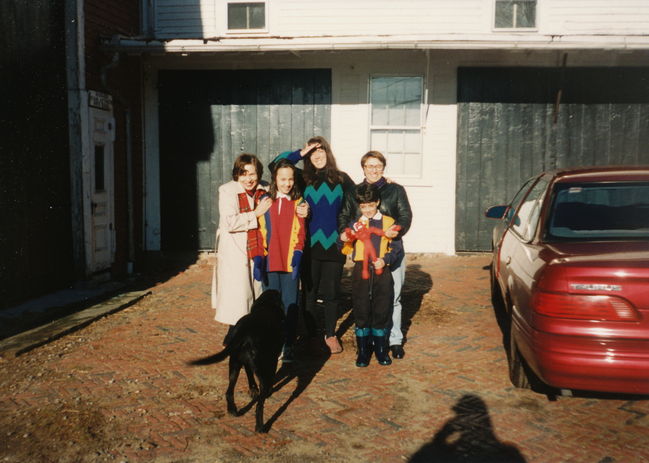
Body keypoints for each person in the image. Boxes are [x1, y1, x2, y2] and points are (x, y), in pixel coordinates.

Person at [272, 136, 355, 355]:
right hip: (309, 246)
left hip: (335, 245)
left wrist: (386, 184)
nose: (317, 156)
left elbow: (359, 203)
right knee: (308, 293)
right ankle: (310, 335)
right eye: (312, 153)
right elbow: (275, 164)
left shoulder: (342, 179)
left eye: (321, 151)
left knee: (332, 293)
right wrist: (300, 152)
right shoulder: (302, 178)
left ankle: (330, 334)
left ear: (328, 153)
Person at [339, 151, 413, 359]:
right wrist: (346, 234)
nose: (374, 169)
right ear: (363, 168)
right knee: (366, 299)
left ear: (383, 167)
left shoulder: (395, 189)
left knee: (393, 296)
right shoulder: (354, 191)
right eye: (369, 166)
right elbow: (344, 215)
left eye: (378, 165)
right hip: (364, 254)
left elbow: (405, 215)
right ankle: (368, 342)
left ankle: (394, 340)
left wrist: (396, 229)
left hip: (389, 248)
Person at [211, 153, 272, 345]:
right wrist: (256, 213)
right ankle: (234, 333)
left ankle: (249, 332)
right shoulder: (227, 191)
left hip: (258, 248)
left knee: (256, 291)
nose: (249, 179)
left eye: (252, 174)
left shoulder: (265, 189)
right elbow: (230, 222)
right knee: (238, 295)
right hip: (236, 249)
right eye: (243, 174)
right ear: (237, 174)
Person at [341, 183, 404, 367]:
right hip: (361, 271)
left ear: (377, 202)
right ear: (359, 206)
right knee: (361, 310)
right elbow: (344, 247)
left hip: (381, 271)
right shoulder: (355, 223)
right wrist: (344, 238)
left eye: (370, 205)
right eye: (363, 206)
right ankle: (362, 351)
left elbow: (396, 247)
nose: (367, 210)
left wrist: (385, 260)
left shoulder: (388, 222)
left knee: (381, 310)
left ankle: (381, 350)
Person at [256, 159, 306, 363]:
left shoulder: (299, 203)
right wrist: (259, 258)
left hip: (288, 264)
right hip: (269, 263)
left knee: (290, 305)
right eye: (282, 179)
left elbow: (301, 233)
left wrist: (298, 255)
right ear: (275, 179)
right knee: (270, 308)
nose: (287, 183)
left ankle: (288, 344)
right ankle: (270, 343)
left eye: (290, 179)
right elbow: (258, 232)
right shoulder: (265, 201)